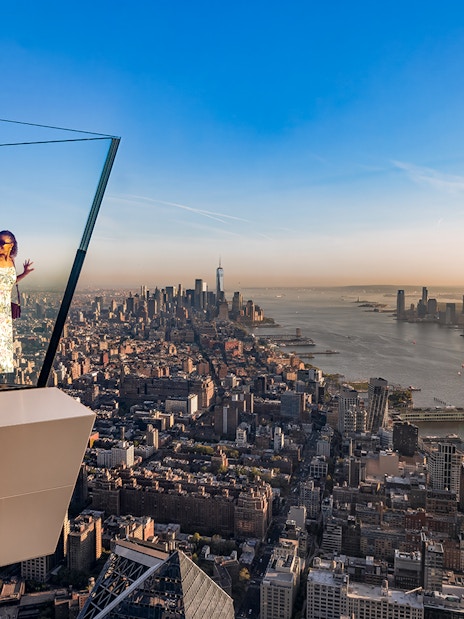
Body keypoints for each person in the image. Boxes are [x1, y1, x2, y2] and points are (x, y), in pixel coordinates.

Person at [0, 230, 34, 375]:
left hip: (5, 309)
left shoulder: (11, 261)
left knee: (3, 343)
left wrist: (24, 273)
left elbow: (10, 282)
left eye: (2, 243)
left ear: (11, 245)